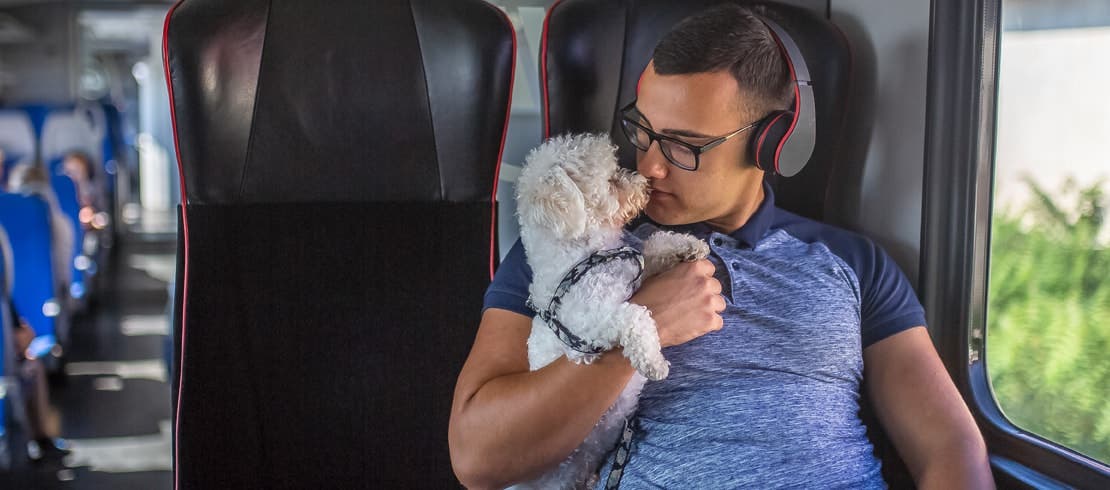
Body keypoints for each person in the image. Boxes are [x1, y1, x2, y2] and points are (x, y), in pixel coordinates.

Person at [448, 4, 994, 489]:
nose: (650, 165)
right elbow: (477, 458)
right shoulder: (573, 251)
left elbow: (950, 448)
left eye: (685, 146)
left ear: (772, 143)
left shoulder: (853, 265)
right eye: (643, 129)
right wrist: (641, 328)